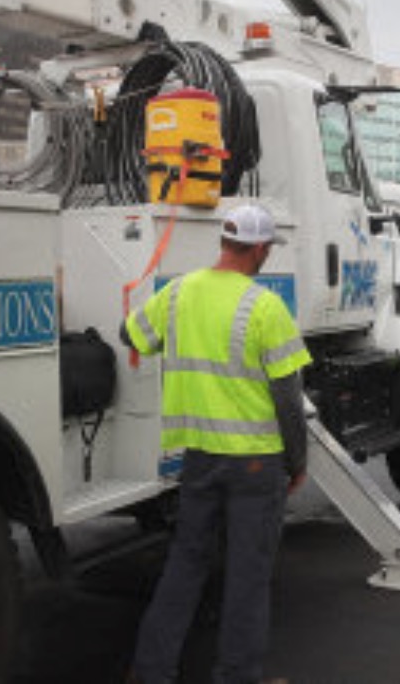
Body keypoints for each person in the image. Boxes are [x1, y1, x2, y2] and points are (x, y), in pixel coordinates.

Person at [123, 204, 311, 684]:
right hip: (254, 465)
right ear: (261, 250)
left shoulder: (179, 292)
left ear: (226, 243)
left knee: (186, 564)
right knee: (248, 576)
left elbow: (131, 334)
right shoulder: (266, 306)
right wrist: (297, 461)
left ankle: (151, 672)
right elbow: (289, 399)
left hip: (198, 459)